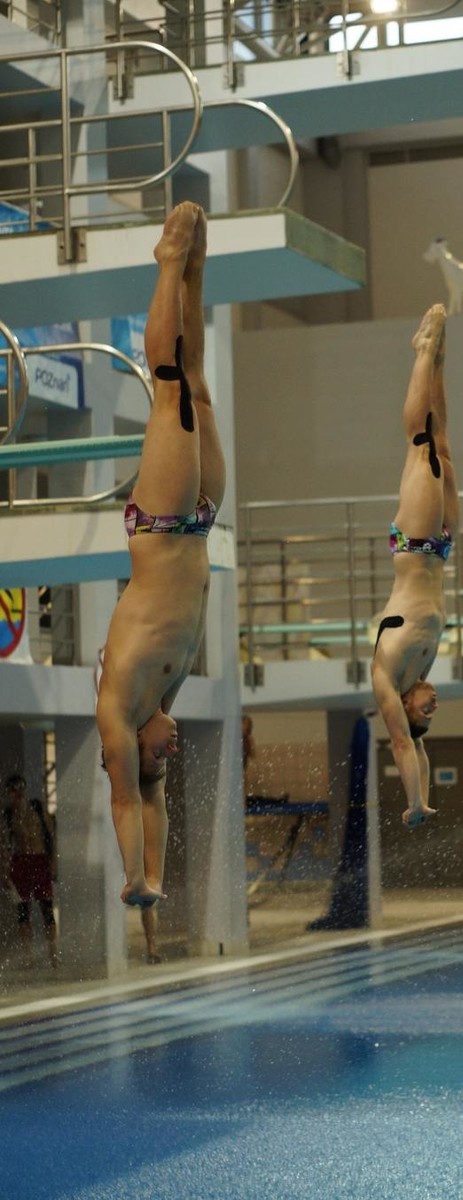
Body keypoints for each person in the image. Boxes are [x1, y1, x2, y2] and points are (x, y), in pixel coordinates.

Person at [96, 202, 226, 908]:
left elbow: (129, 800)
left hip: (162, 520)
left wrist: (133, 878)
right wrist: (156, 883)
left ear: (133, 750)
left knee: (169, 378)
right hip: (198, 523)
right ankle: (196, 272)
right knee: (198, 383)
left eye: (159, 756)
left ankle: (168, 261)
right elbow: (156, 803)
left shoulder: (120, 709)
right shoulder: (163, 699)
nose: (171, 750)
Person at [371, 304, 458, 829]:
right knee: (441, 445)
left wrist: (415, 802)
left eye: (425, 710)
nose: (433, 704)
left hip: (415, 541)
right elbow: (420, 746)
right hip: (440, 546)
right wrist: (425, 788)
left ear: (404, 706)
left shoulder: (388, 673)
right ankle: (438, 358)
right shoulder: (421, 666)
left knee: (420, 442)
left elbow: (404, 744)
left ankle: (422, 351)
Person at [2, 773, 58, 967]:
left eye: (19, 789)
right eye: (12, 791)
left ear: (24, 789)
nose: (16, 794)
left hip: (39, 860)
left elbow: (51, 835)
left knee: (47, 910)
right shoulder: (8, 815)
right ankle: (28, 956)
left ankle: (53, 954)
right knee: (23, 912)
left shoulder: (37, 807)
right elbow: (4, 846)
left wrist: (53, 863)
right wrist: (5, 872)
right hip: (20, 863)